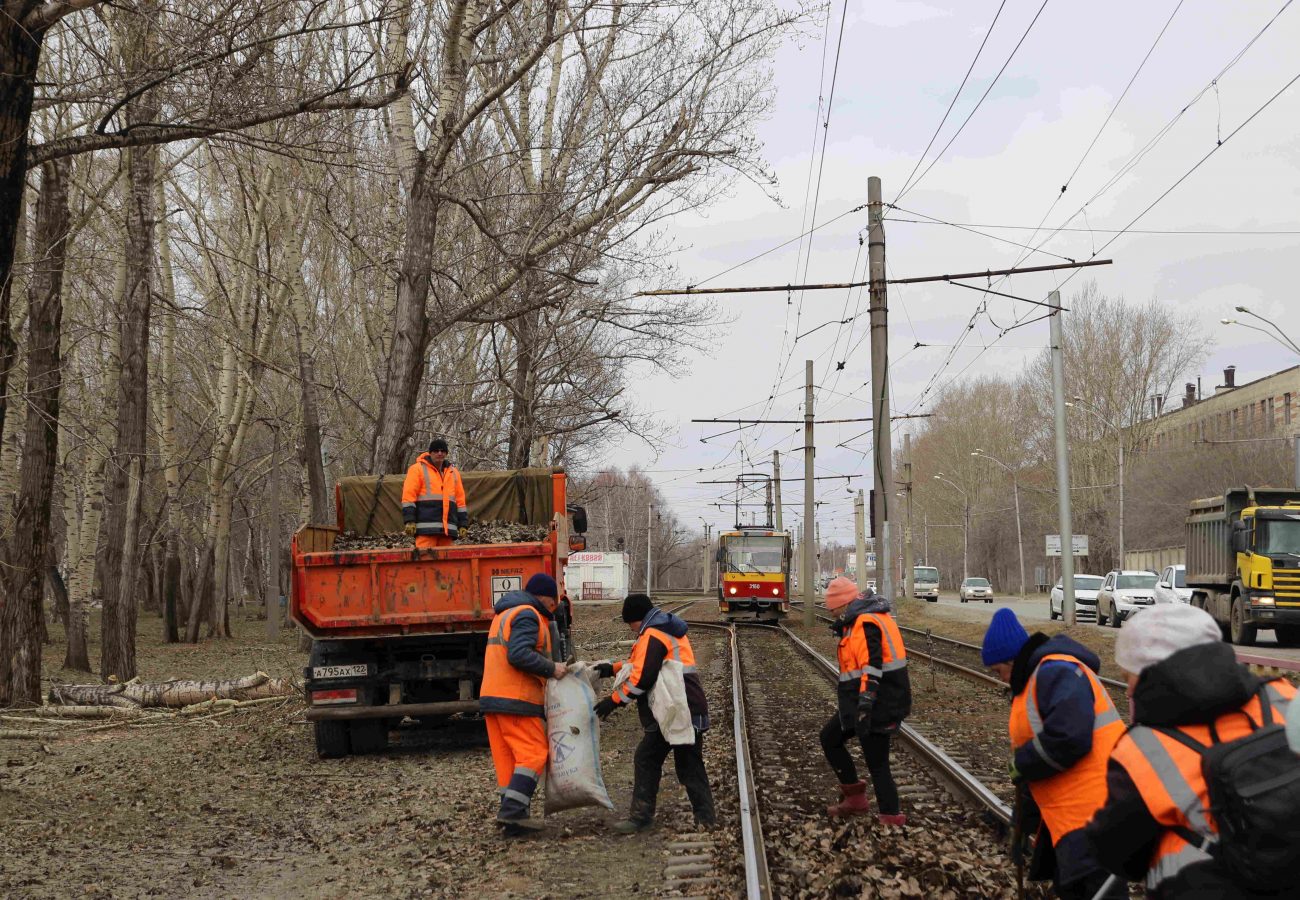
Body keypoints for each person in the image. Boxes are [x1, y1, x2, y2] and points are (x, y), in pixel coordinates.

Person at [1085, 604, 1297, 898]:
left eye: (1130, 676)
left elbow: (1117, 853)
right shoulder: (1285, 696)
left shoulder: (1143, 749)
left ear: (1151, 672)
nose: (1129, 690)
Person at [981, 607, 1125, 900]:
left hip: (1097, 816)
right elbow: (1038, 768)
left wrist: (1021, 762)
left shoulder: (1056, 672)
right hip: (1072, 818)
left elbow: (1069, 737)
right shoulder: (1033, 684)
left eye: (999, 671)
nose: (1002, 679)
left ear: (1011, 660)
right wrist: (1022, 824)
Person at [592, 593, 715, 833]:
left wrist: (614, 701)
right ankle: (706, 818)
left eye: (630, 623)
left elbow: (643, 677)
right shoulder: (660, 628)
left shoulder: (652, 634)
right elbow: (641, 663)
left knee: (649, 758)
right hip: (682, 707)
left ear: (636, 618)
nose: (630, 628)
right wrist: (612, 669)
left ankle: (641, 818)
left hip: (678, 709)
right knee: (687, 764)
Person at [819, 576, 912, 825]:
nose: (832, 615)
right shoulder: (859, 620)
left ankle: (891, 816)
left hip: (879, 702)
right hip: (864, 702)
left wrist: (865, 704)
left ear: (844, 604)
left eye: (834, 610)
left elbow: (872, 666)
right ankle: (855, 798)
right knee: (830, 738)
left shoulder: (866, 623)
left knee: (877, 761)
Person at [480, 572, 568, 834]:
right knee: (534, 752)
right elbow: (518, 655)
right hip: (516, 697)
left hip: (493, 698)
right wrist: (552, 668)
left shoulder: (503, 614)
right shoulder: (528, 614)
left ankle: (513, 820)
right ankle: (513, 812)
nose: (552, 611)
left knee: (508, 759)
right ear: (545, 598)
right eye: (553, 604)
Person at [401, 438, 468, 548]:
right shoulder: (417, 469)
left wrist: (463, 524)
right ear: (430, 453)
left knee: (447, 564)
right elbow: (408, 497)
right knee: (425, 562)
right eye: (436, 451)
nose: (439, 453)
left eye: (442, 451)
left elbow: (460, 502)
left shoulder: (454, 473)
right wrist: (409, 521)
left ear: (446, 453)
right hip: (425, 530)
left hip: (448, 531)